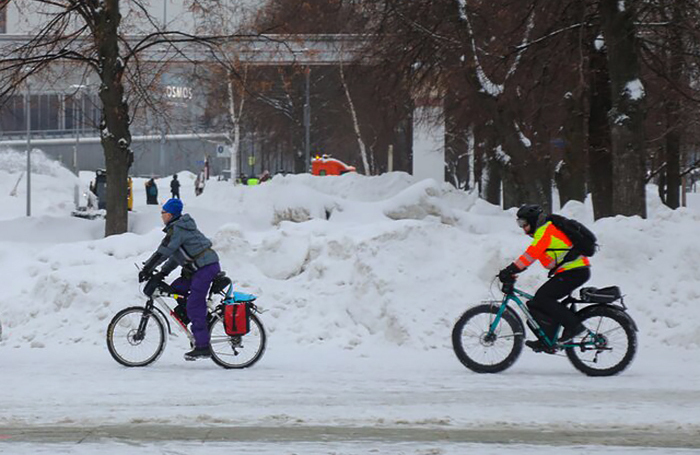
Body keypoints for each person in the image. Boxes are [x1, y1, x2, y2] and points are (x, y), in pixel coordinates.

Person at [498, 204, 590, 351]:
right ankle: (548, 339)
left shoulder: (545, 231)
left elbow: (530, 255)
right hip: (572, 271)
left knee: (543, 298)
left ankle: (574, 327)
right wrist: (514, 270)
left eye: (523, 223)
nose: (522, 228)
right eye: (519, 224)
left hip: (574, 271)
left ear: (532, 221)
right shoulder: (546, 230)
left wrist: (510, 270)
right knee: (537, 302)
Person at [138, 198, 221, 360]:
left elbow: (163, 252)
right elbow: (176, 257)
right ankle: (192, 318)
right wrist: (162, 273)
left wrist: (147, 268)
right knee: (176, 289)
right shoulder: (179, 228)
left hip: (205, 268)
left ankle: (202, 346)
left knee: (195, 304)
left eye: (163, 212)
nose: (161, 216)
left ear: (170, 214)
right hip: (198, 269)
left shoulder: (177, 229)